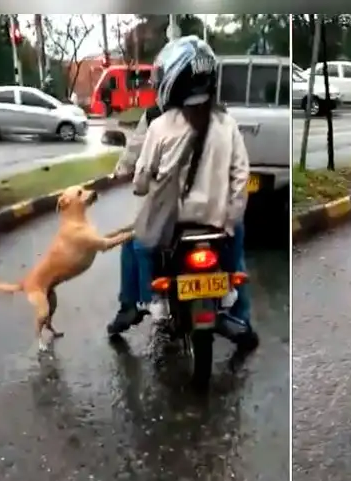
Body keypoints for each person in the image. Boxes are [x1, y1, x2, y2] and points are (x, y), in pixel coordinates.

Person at [106, 35, 258, 350]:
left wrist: (128, 179)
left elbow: (136, 168)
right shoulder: (225, 119)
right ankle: (238, 315)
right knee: (235, 249)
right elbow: (241, 174)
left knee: (136, 241)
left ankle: (142, 302)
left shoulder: (156, 122)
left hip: (169, 218)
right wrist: (232, 215)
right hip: (215, 218)